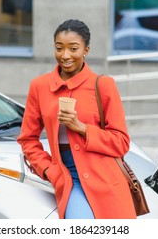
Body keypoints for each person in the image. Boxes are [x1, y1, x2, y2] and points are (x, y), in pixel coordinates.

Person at [17, 19, 136, 219]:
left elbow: (121, 142)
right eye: (59, 48)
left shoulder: (103, 85)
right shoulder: (40, 86)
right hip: (68, 175)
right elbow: (28, 139)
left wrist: (81, 127)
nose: (65, 56)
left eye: (73, 48)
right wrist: (49, 170)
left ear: (86, 50)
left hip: (106, 177)